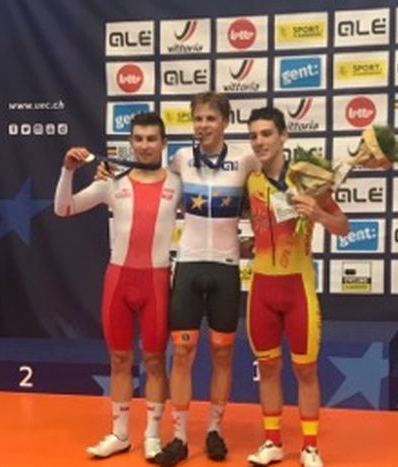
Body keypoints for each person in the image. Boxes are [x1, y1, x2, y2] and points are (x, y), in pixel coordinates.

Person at [54, 112, 181, 462]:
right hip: (119, 281)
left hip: (156, 281)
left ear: (164, 143)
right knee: (120, 358)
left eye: (151, 139)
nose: (144, 145)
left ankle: (152, 436)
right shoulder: (112, 182)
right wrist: (67, 170)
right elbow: (63, 208)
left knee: (154, 360)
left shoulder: (179, 183)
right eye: (138, 138)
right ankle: (120, 434)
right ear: (130, 142)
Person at [155, 92, 260, 467]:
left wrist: (259, 237)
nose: (203, 125)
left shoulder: (246, 159)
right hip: (188, 264)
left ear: (225, 122)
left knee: (222, 352)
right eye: (198, 118)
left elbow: (271, 189)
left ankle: (215, 430)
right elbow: (151, 186)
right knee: (182, 353)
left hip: (226, 266)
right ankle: (180, 436)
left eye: (211, 118)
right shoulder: (181, 159)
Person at [244, 107, 349, 467]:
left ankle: (310, 447)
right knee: (268, 368)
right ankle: (272, 442)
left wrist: (317, 214)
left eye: (267, 134)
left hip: (297, 288)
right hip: (261, 288)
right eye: (254, 136)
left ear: (283, 136)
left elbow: (343, 226)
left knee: (305, 370)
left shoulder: (307, 178)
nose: (260, 141)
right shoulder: (250, 181)